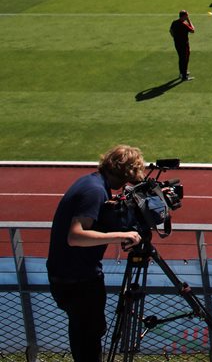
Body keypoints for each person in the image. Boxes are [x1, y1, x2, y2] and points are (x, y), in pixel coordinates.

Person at [47, 145, 146, 362]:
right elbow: (76, 236)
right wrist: (121, 235)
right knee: (88, 341)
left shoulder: (92, 182)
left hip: (70, 276)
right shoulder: (94, 191)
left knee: (86, 336)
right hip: (78, 280)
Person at [169, 10, 195, 81]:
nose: (187, 17)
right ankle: (184, 76)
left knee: (181, 58)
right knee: (185, 59)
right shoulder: (184, 24)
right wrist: (189, 21)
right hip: (184, 44)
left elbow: (171, 31)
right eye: (187, 15)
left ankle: (182, 73)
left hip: (177, 43)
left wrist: (175, 37)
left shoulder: (174, 22)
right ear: (184, 16)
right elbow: (193, 30)